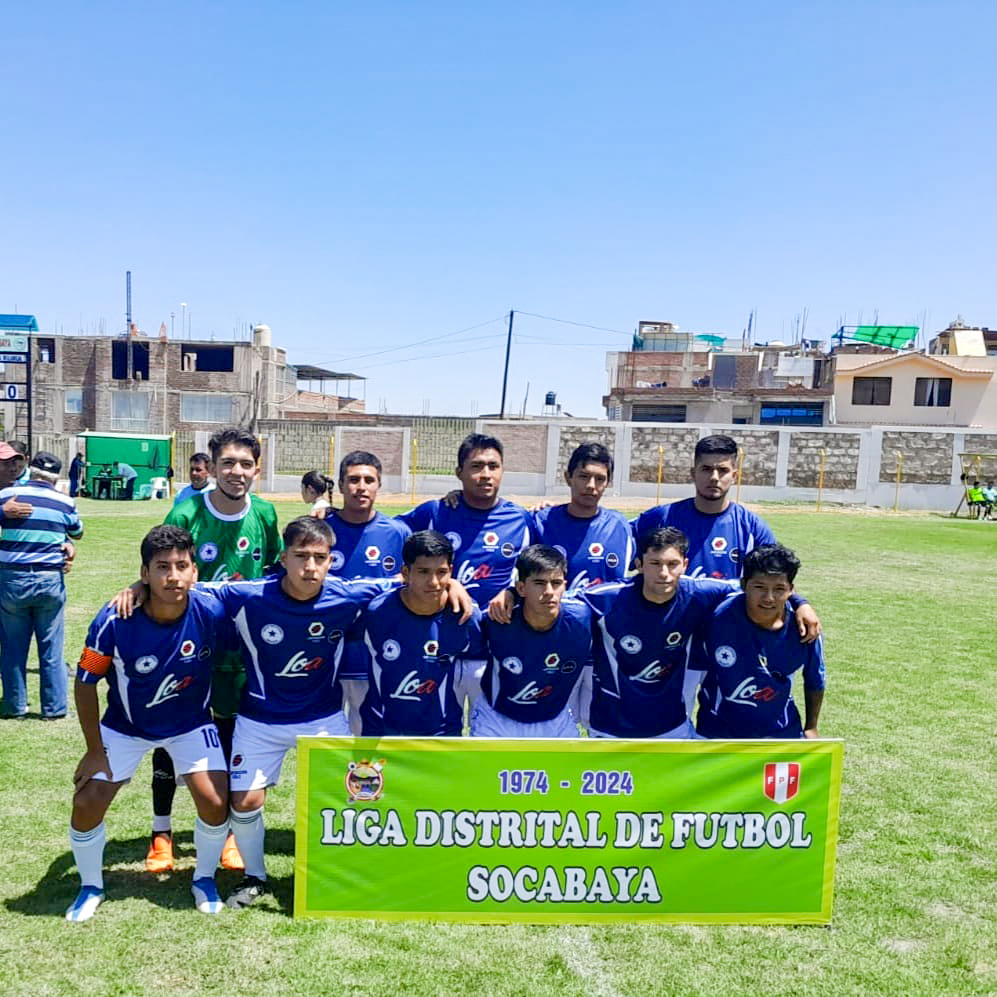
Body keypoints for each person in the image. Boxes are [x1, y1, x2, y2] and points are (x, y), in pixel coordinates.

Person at [214, 517, 473, 909]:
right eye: (301, 556)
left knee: (355, 794)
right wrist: (140, 587)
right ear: (283, 558)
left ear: (331, 561)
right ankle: (255, 877)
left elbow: (410, 583)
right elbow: (190, 591)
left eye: (320, 558)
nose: (310, 567)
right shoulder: (247, 595)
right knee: (245, 803)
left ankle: (342, 870)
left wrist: (453, 584)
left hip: (323, 717)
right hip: (259, 720)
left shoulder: (348, 596)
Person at [66, 525, 231, 921]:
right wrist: (94, 751)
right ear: (144, 573)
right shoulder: (114, 618)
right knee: (86, 803)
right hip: (125, 727)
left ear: (195, 571)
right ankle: (90, 886)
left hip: (191, 724)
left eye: (182, 566)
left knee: (214, 801)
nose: (173, 576)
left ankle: (204, 878)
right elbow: (85, 682)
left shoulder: (211, 609)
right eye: (162, 567)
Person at [142, 427, 282, 873]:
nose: (236, 471)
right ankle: (161, 833)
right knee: (172, 731)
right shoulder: (187, 512)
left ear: (257, 469)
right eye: (228, 463)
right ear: (214, 466)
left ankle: (231, 834)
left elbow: (276, 570)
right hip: (191, 642)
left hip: (246, 648)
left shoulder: (265, 513)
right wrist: (136, 588)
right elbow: (157, 566)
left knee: (235, 737)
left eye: (245, 464)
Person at [581, 527, 734, 739]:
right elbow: (559, 601)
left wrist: (792, 605)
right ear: (639, 565)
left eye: (672, 564)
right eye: (655, 563)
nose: (663, 573)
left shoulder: (698, 594)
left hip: (672, 728)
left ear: (685, 565)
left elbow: (750, 589)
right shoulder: (607, 598)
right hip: (610, 730)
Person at [693, 544, 826, 739]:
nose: (768, 598)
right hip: (719, 730)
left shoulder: (806, 628)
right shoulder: (718, 617)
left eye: (779, 589)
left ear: (791, 590)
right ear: (744, 584)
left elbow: (815, 678)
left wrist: (811, 727)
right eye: (759, 587)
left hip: (780, 731)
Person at [360, 531, 483, 737]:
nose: (433, 582)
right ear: (406, 572)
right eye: (423, 572)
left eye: (441, 572)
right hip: (381, 733)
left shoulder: (465, 615)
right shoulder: (377, 612)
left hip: (442, 734)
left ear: (451, 572)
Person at [321, 451, 411, 733]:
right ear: (340, 485)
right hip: (326, 648)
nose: (361, 487)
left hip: (379, 650)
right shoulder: (321, 530)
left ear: (378, 485)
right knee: (324, 734)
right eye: (353, 480)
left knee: (369, 736)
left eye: (369, 480)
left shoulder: (398, 532)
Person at [469, 545, 592, 738]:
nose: (549, 591)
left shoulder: (583, 617)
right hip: (497, 719)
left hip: (555, 719)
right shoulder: (496, 618)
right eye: (539, 583)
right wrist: (452, 585)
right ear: (521, 588)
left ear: (565, 586)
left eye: (556, 583)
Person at [398, 433, 532, 609]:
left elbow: (541, 568)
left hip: (499, 622)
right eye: (476, 466)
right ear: (459, 472)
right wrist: (447, 583)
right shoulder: (435, 513)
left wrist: (512, 592)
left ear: (502, 471)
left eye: (493, 467)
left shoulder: (520, 519)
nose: (486, 474)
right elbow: (387, 533)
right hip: (446, 621)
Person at [0, 452, 84, 719]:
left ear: (30, 470)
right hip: (49, 578)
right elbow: (77, 531)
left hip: (13, 578)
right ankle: (54, 708)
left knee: (12, 647)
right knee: (51, 646)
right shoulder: (65, 502)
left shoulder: (7, 496)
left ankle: (14, 705)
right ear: (56, 477)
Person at [530, 443, 633, 593]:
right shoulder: (540, 522)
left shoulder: (619, 527)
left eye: (600, 479)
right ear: (568, 477)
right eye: (584, 476)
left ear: (607, 483)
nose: (591, 485)